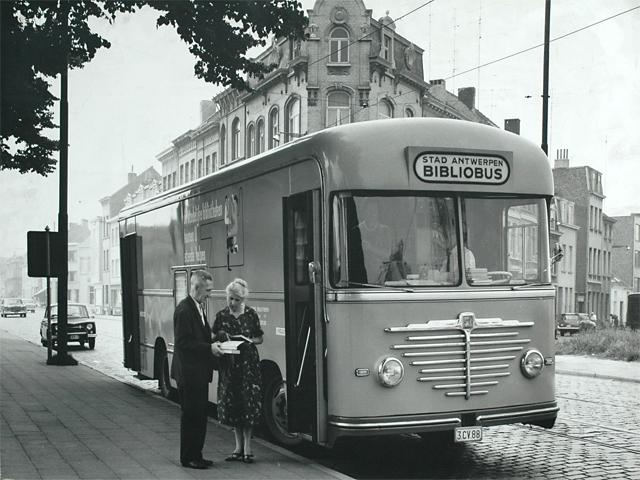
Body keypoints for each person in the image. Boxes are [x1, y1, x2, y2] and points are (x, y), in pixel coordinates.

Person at [170, 269, 223, 470]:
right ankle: (188, 457)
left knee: (199, 415)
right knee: (192, 416)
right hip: (190, 373)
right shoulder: (184, 310)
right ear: (196, 287)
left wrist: (216, 338)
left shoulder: (198, 307)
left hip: (198, 372)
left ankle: (197, 455)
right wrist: (209, 347)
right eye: (207, 290)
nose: (209, 294)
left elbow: (201, 336)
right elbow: (184, 343)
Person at [212, 278, 264, 464]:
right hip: (230, 363)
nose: (232, 303)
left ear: (243, 299)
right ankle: (238, 447)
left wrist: (249, 340)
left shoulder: (251, 315)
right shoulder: (221, 315)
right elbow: (213, 336)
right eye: (230, 298)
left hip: (248, 365)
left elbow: (259, 338)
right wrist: (220, 338)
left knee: (247, 404)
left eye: (236, 300)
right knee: (233, 403)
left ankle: (248, 448)